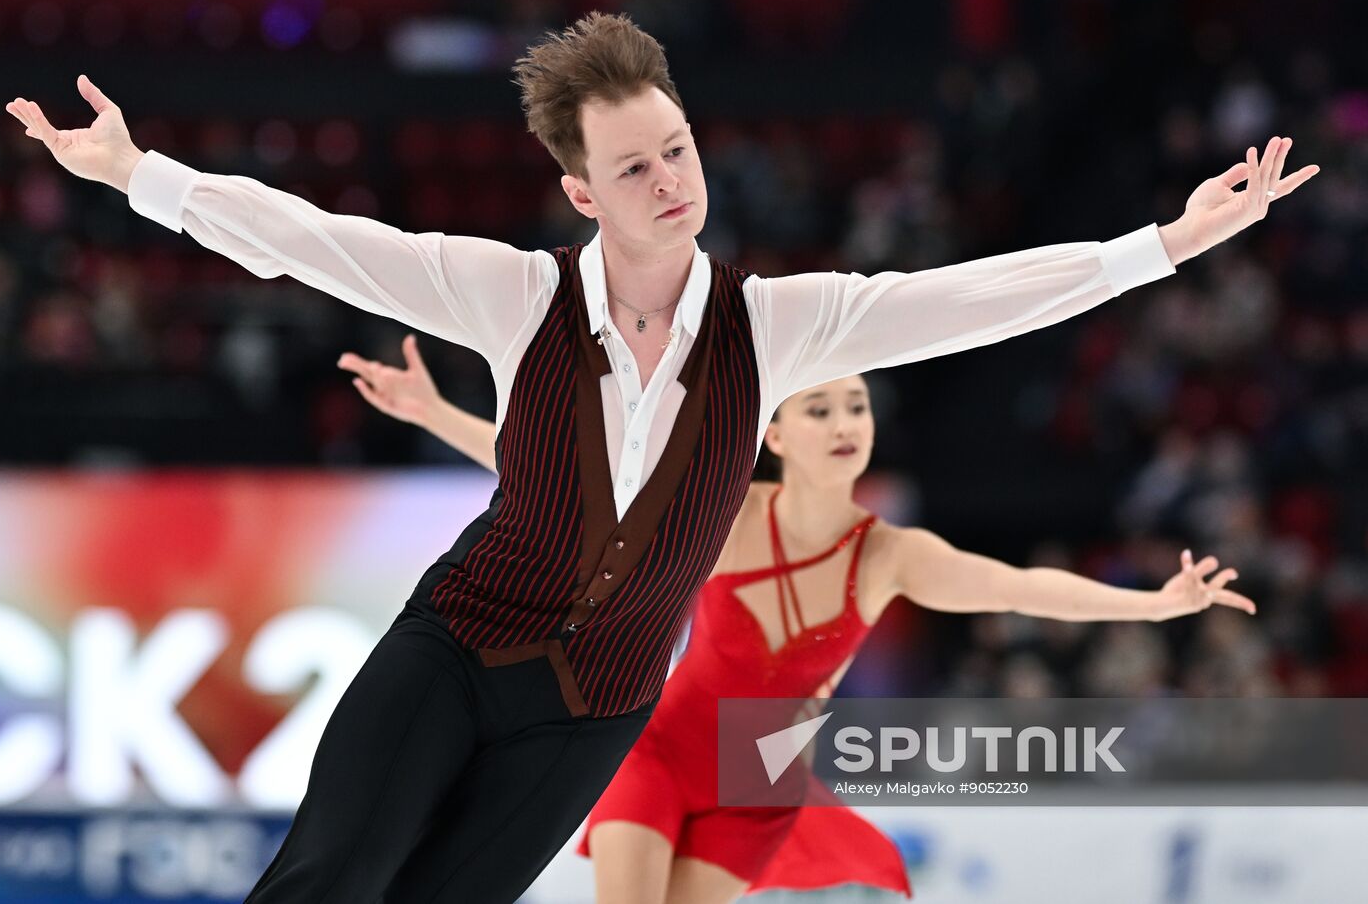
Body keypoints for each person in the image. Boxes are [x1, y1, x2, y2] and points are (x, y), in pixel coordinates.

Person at [6, 9, 1311, 904]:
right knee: (332, 877)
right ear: (583, 189)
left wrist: (1165, 247)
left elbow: (965, 299)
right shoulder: (510, 295)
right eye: (633, 167)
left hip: (599, 702)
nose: (670, 181)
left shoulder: (778, 323)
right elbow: (316, 239)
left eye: (676, 148)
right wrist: (139, 176)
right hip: (456, 646)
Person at [339, 343, 1254, 903]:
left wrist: (1156, 603)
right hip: (656, 750)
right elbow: (576, 480)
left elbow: (1019, 588)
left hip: (759, 785)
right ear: (776, 433)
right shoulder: (727, 510)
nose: (845, 421)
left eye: (855, 404)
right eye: (820, 408)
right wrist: (436, 413)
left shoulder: (890, 552)